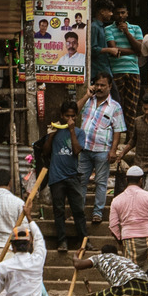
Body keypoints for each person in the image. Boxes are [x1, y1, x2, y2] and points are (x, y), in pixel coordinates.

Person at [106, 165, 148, 296]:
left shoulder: (117, 200)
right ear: (141, 180)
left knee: (132, 274)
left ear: (127, 180)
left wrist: (121, 241)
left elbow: (113, 227)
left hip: (129, 241)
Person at [79, 76, 128, 223]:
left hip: (102, 150)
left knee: (101, 182)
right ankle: (79, 211)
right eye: (97, 85)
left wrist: (113, 151)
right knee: (81, 181)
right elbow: (74, 110)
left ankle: (97, 213)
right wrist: (87, 95)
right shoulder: (88, 101)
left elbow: (118, 130)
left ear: (109, 87)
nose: (99, 88)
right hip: (84, 148)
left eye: (102, 85)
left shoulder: (115, 106)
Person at [43, 107, 88, 251]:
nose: (70, 119)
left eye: (73, 116)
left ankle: (84, 241)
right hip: (56, 177)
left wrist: (72, 130)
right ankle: (62, 241)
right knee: (59, 210)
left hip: (73, 176)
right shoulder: (55, 131)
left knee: (78, 210)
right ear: (62, 115)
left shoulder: (80, 132)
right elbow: (45, 151)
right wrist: (51, 135)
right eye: (67, 116)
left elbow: (76, 150)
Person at [75, 243, 148, 296]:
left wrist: (75, 256)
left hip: (127, 286)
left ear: (102, 253)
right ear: (116, 253)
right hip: (146, 286)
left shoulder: (100, 257)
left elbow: (78, 264)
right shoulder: (124, 259)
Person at [104, 3, 144, 105]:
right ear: (113, 15)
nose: (120, 16)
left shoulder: (136, 28)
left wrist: (127, 32)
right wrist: (134, 51)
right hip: (116, 71)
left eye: (123, 13)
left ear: (127, 14)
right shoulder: (108, 29)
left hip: (133, 71)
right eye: (118, 13)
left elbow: (140, 48)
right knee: (116, 104)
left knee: (131, 106)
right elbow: (114, 50)